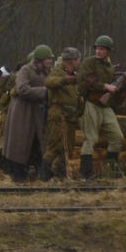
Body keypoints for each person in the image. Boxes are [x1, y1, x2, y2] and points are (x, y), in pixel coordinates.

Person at [77, 35, 126, 179]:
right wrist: (105, 86)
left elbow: (112, 82)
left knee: (117, 138)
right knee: (90, 139)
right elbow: (88, 80)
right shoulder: (89, 63)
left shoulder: (109, 67)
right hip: (91, 104)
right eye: (97, 48)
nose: (99, 51)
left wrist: (123, 79)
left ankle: (109, 172)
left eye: (102, 49)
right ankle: (85, 175)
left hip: (105, 106)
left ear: (108, 51)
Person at [2, 45, 53, 182]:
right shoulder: (25, 70)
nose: (50, 61)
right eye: (48, 59)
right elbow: (22, 89)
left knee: (38, 143)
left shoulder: (47, 71)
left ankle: (38, 172)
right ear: (40, 59)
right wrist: (44, 91)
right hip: (23, 111)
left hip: (38, 113)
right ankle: (18, 174)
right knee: (20, 143)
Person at [43, 47, 82, 179]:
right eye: (78, 60)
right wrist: (64, 80)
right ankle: (43, 175)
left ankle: (59, 174)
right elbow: (48, 82)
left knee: (68, 147)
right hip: (58, 115)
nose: (79, 62)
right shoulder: (58, 71)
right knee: (55, 145)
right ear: (72, 61)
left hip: (70, 116)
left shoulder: (74, 74)